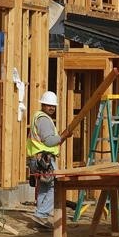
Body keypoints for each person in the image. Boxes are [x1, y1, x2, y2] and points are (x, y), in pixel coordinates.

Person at [27, 91, 72, 228]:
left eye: (53, 106)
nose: (51, 108)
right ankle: (41, 215)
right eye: (48, 105)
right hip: (44, 160)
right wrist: (63, 136)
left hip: (38, 158)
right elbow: (49, 141)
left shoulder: (38, 117)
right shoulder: (44, 120)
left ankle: (39, 221)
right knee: (57, 186)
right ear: (43, 105)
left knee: (45, 188)